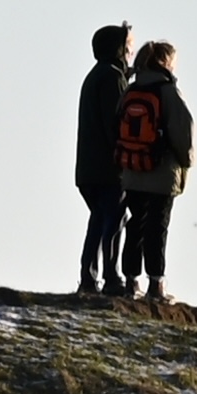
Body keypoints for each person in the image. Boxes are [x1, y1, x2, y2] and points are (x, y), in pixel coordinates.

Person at [112, 38, 192, 300]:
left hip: (133, 170)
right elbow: (184, 131)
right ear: (167, 62)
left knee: (135, 225)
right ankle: (156, 284)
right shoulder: (168, 91)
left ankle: (130, 281)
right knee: (158, 226)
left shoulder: (131, 90)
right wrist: (185, 162)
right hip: (161, 171)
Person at [73, 22, 132, 292]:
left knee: (98, 220)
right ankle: (111, 276)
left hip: (88, 168)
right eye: (128, 47)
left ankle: (89, 275)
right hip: (108, 167)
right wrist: (124, 158)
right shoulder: (112, 78)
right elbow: (115, 124)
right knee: (113, 220)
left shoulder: (94, 75)